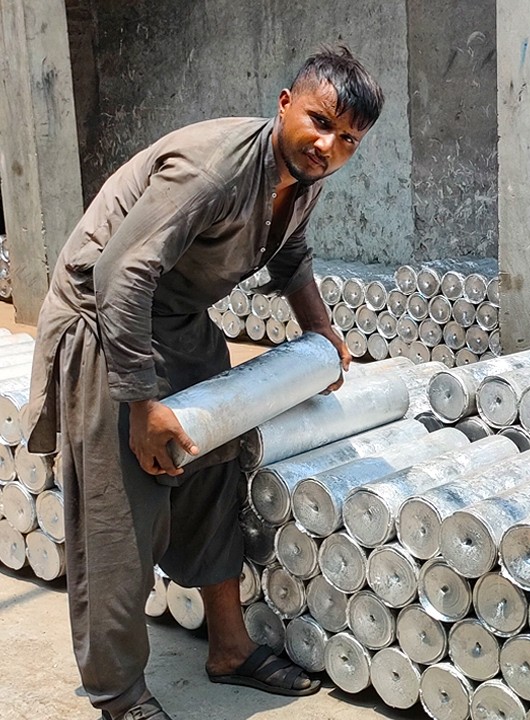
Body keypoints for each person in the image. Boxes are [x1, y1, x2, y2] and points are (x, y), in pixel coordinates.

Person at [24, 46, 384, 720]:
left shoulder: (303, 176)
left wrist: (322, 334)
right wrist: (140, 407)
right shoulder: (215, 169)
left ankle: (229, 648)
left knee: (215, 475)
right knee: (121, 514)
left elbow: (293, 255)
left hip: (180, 321)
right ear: (284, 103)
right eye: (319, 122)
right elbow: (119, 277)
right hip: (105, 327)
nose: (329, 145)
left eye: (348, 140)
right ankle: (119, 694)